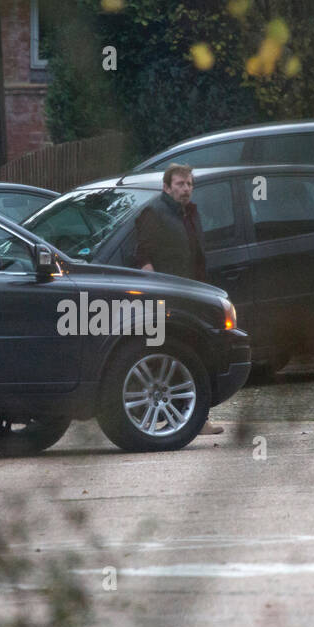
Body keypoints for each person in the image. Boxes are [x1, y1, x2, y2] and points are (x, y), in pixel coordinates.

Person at [134, 163, 223, 435]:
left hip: (194, 295)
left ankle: (198, 418)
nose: (186, 189)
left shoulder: (191, 213)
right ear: (166, 187)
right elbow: (142, 257)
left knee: (196, 357)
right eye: (180, 185)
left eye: (189, 184)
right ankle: (148, 419)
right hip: (168, 298)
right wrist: (155, 293)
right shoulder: (154, 213)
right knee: (167, 359)